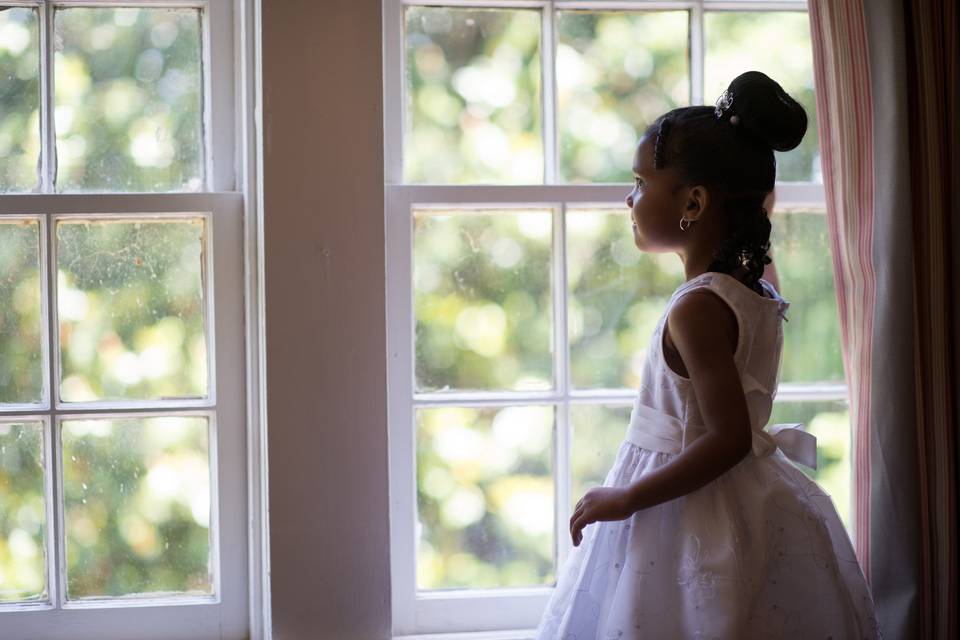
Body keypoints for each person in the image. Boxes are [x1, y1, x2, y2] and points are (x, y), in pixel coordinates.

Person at [534, 71, 882, 639]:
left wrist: (625, 497)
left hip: (688, 514)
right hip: (752, 501)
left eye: (641, 182)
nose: (630, 196)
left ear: (692, 201)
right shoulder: (756, 291)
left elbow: (727, 438)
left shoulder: (696, 307)